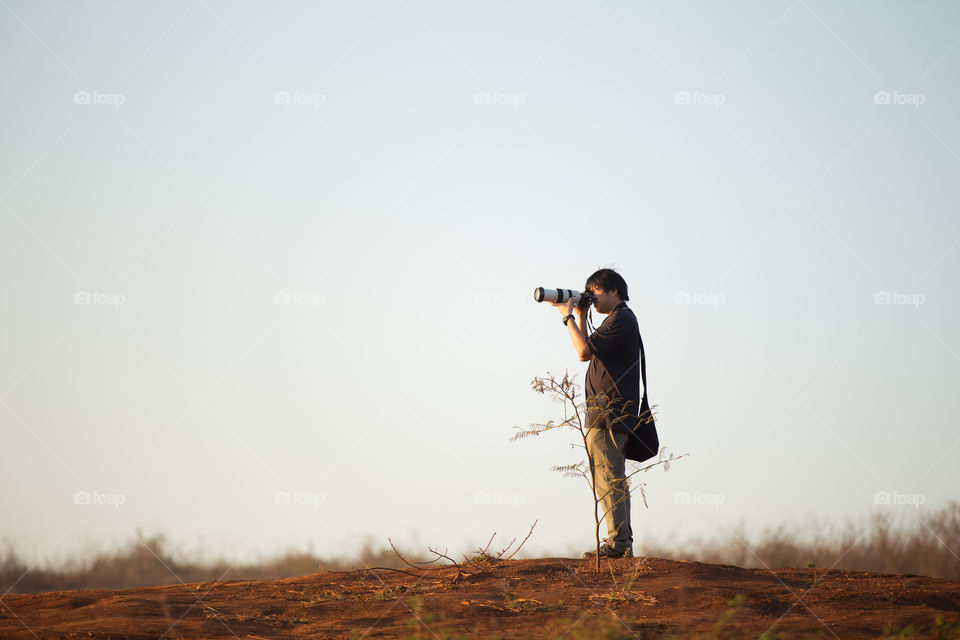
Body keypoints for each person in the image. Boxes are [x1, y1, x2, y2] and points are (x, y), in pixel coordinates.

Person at [550, 268, 641, 559]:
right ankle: (620, 542)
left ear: (613, 290)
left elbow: (582, 352)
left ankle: (617, 545)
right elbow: (591, 348)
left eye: (596, 292)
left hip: (610, 413)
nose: (593, 298)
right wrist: (583, 315)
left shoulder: (621, 319)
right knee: (608, 476)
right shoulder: (618, 320)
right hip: (605, 413)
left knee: (609, 477)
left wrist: (566, 316)